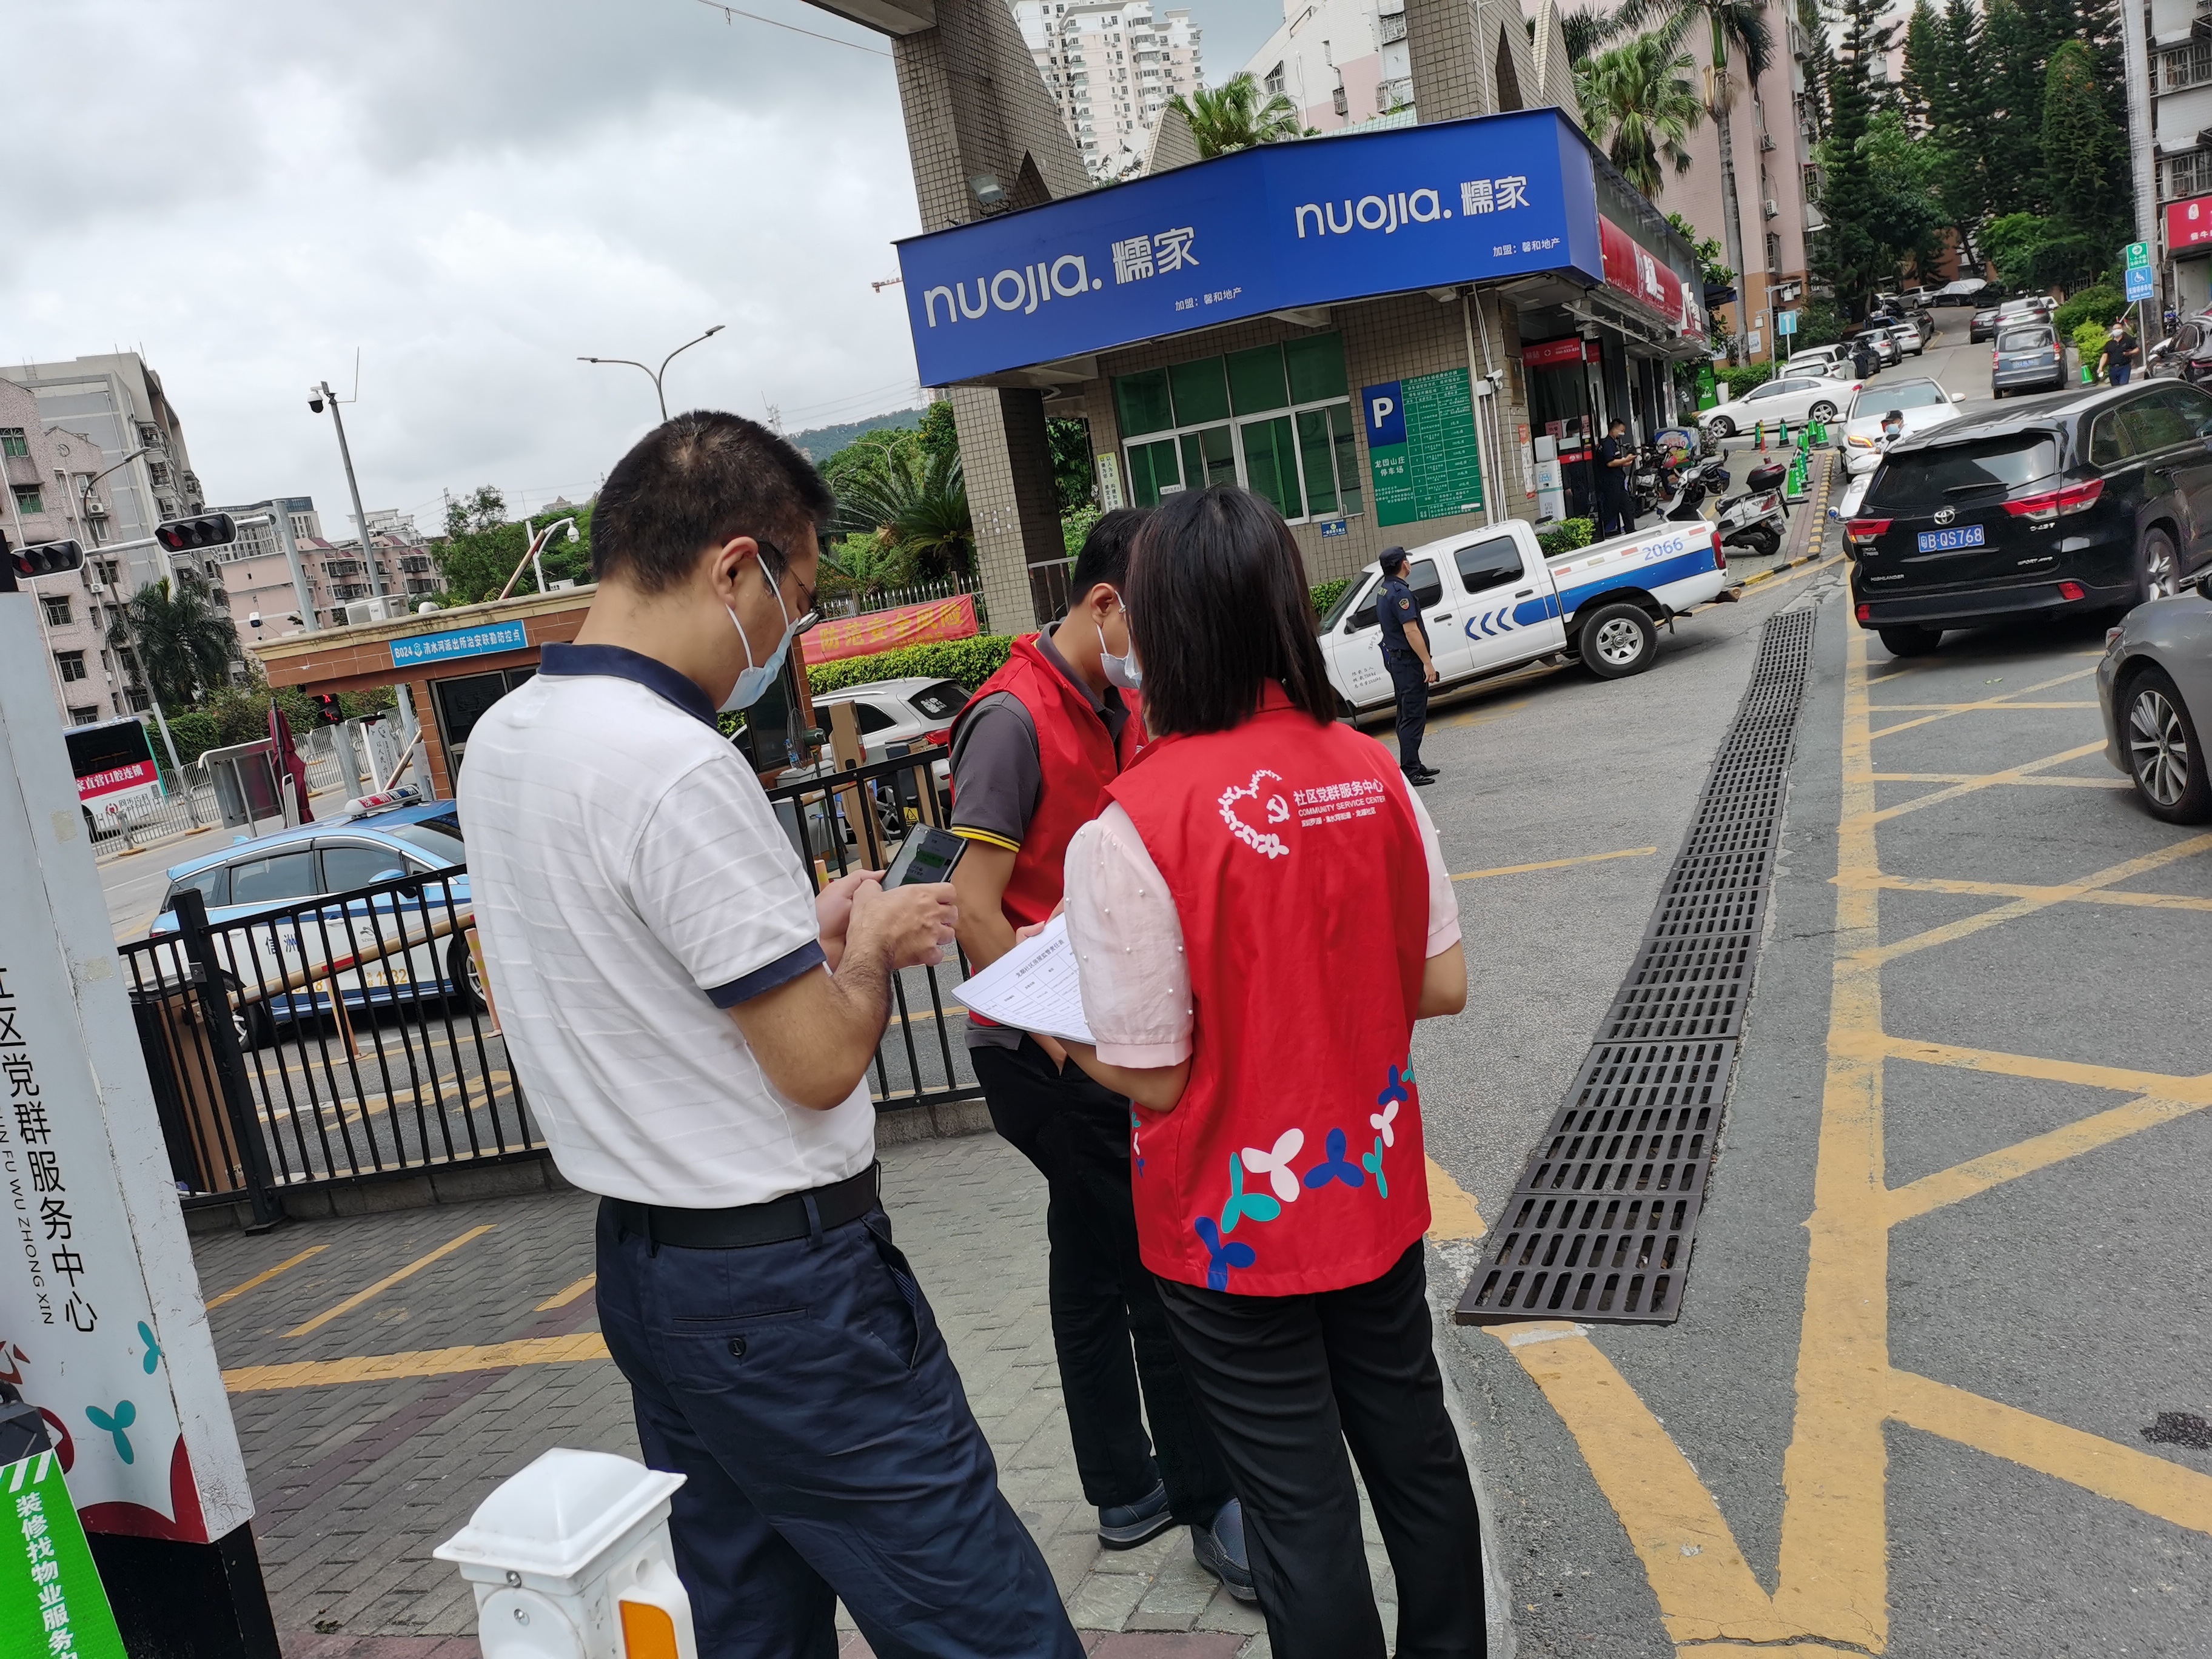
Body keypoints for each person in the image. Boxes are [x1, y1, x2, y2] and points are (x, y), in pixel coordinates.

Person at [459, 411, 1081, 1659]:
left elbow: (637, 969)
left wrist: (807, 935)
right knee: (980, 1619)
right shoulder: (677, 765)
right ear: (735, 567)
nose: (790, 630)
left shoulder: (507, 742)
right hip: (786, 1296)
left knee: (750, 1620)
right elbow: (817, 1065)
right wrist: (870, 948)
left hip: (651, 1269)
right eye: (795, 596)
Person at [1053, 484, 1483, 1659]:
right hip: (1372, 1188)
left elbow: (1150, 1076)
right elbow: (1442, 982)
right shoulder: (1370, 770)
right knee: (1416, 1458)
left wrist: (1060, 1036)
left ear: (1165, 626)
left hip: (1231, 1227)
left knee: (1300, 1513)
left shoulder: (1131, 825)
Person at [946, 508, 1248, 1595]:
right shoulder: (1010, 720)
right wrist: (1066, 1046)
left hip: (1090, 1040)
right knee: (1153, 1269)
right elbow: (973, 905)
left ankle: (1124, 1489)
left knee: (1087, 1262)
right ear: (1106, 602)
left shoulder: (1111, 703)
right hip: (1047, 1053)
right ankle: (1213, 1504)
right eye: (1155, 617)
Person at [1374, 546, 1438, 787]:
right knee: (1413, 715)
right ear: (1404, 564)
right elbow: (1411, 630)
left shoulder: (1384, 589)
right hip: (1409, 662)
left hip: (1398, 661)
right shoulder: (1400, 593)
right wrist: (1427, 663)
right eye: (1407, 561)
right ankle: (1411, 770)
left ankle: (1413, 762)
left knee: (1405, 713)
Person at [1597, 418, 1635, 535]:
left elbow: (1618, 461)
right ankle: (1598, 531)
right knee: (1611, 509)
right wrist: (1625, 459)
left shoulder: (1614, 443)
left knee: (1627, 506)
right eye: (1621, 431)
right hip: (1611, 482)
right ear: (1614, 429)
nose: (1622, 434)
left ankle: (1631, 530)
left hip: (1618, 481)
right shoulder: (1607, 444)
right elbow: (1610, 463)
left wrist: (1627, 461)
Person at [2099, 320, 2139, 386]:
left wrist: (2129, 353)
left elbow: (2137, 350)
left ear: (2122, 329)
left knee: (2123, 385)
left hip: (2125, 367)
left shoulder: (2128, 340)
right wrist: (2101, 367)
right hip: (2113, 369)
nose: (2116, 330)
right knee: (2115, 387)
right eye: (2115, 329)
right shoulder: (2109, 344)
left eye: (2118, 328)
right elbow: (2105, 356)